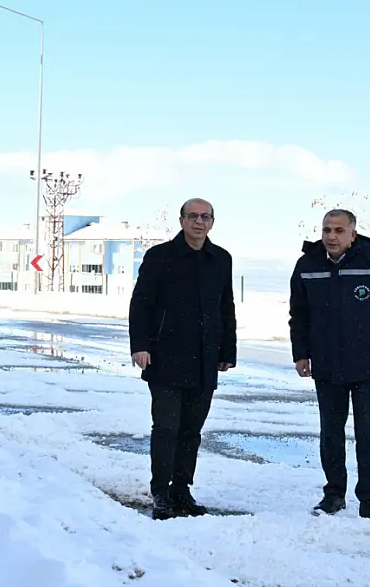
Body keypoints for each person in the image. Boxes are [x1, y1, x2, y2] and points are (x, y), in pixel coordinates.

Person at [288, 209, 370, 520]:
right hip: (326, 365)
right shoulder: (307, 265)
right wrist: (301, 353)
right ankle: (334, 495)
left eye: (339, 230)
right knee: (331, 432)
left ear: (353, 234)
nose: (331, 236)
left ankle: (368, 499)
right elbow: (298, 314)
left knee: (368, 433)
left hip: (369, 364)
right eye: (327, 229)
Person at [128, 198, 236, 520]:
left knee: (191, 431)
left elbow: (225, 306)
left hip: (204, 359)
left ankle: (182, 490)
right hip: (165, 357)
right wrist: (140, 345)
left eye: (205, 217)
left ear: (212, 222)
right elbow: (141, 303)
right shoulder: (160, 257)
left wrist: (227, 351)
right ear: (181, 220)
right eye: (192, 216)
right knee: (166, 428)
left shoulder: (221, 259)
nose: (198, 222)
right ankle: (161, 492)